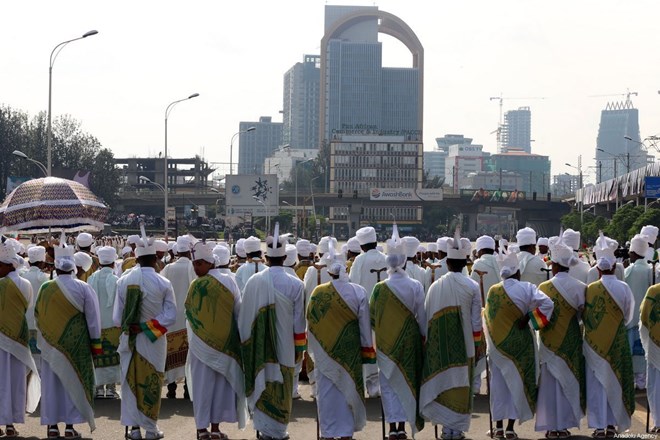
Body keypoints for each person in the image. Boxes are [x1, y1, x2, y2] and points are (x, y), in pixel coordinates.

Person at [238, 226, 306, 440]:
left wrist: (247, 344)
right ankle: (278, 430)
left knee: (263, 380)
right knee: (282, 384)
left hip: (259, 346)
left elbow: (244, 317)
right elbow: (298, 322)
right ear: (285, 257)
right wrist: (299, 349)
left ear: (265, 257)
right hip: (285, 346)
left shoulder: (253, 281)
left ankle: (264, 427)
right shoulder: (296, 284)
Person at [35, 235, 102, 439]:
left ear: (55, 267)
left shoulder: (45, 287)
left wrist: (46, 338)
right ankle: (71, 427)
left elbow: (38, 315)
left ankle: (52, 426)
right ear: (74, 267)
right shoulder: (83, 287)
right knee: (74, 382)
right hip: (77, 345)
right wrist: (96, 345)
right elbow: (93, 319)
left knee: (51, 385)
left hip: (51, 344)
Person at [484, 246, 554, 439]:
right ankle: (510, 429)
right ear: (517, 271)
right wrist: (531, 319)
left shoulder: (493, 291)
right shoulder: (527, 288)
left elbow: (488, 319)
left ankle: (497, 426)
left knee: (498, 386)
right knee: (518, 383)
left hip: (497, 346)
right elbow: (549, 304)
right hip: (521, 344)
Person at [113, 230, 177, 440]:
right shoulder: (163, 283)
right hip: (154, 339)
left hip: (129, 339)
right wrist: (147, 327)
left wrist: (134, 326)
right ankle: (151, 428)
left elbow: (116, 319)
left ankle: (134, 429)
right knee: (152, 380)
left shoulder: (123, 281)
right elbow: (171, 315)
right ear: (156, 259)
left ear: (137, 258)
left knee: (130, 381)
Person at [421, 231, 482, 440]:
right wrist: (478, 343)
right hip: (466, 344)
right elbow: (476, 322)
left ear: (447, 263)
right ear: (465, 262)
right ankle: (456, 430)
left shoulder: (435, 286)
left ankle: (447, 429)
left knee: (444, 385)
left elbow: (427, 317)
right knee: (461, 385)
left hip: (440, 346)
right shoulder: (472, 286)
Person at [185, 242, 247, 440]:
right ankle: (210, 428)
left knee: (204, 387)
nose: (196, 268)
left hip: (203, 345)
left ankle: (207, 429)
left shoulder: (201, 284)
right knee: (219, 386)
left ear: (210, 263)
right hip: (220, 345)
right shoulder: (228, 282)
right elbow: (239, 313)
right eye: (194, 264)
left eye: (199, 264)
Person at [307, 260, 375, 440]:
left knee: (326, 394)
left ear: (329, 272)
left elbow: (311, 322)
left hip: (324, 352)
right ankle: (346, 433)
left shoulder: (318, 292)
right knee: (348, 389)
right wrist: (367, 349)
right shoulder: (359, 291)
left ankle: (327, 433)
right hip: (350, 352)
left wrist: (314, 348)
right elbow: (364, 325)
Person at [370, 227, 426, 440]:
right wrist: (423, 337)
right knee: (406, 382)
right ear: (404, 261)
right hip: (409, 343)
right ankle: (402, 426)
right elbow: (421, 317)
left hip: (386, 343)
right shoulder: (415, 286)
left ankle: (393, 427)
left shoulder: (379, 288)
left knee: (389, 385)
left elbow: (372, 317)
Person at [583, 236, 635, 437]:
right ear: (614, 268)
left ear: (598, 270)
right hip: (617, 340)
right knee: (616, 379)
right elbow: (629, 315)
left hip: (594, 341)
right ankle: (612, 425)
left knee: (596, 383)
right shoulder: (623, 287)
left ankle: (598, 426)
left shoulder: (590, 289)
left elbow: (584, 315)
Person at [535, 237, 586, 438]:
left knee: (549, 383)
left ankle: (550, 426)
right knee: (569, 381)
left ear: (554, 265)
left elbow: (538, 317)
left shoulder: (544, 287)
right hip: (571, 339)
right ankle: (564, 425)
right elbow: (583, 314)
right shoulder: (580, 286)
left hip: (548, 341)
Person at [0, 237, 40, 438]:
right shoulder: (25, 284)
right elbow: (29, 305)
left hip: (2, 338)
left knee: (2, 381)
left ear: (7, 266)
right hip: (19, 335)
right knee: (16, 381)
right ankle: (10, 424)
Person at [349, 226, 388, 398]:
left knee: (367, 345)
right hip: (385, 310)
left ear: (362, 246)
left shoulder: (359, 260)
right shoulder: (386, 258)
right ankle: (382, 383)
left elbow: (353, 285)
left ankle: (371, 384)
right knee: (383, 346)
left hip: (365, 310)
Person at [160, 236, 197, 399]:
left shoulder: (169, 268)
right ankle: (189, 389)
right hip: (189, 317)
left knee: (172, 352)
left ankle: (172, 388)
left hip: (172, 317)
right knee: (189, 353)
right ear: (190, 251)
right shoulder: (194, 267)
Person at [87, 246, 121, 399]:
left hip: (95, 325)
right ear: (114, 263)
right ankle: (111, 389)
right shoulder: (116, 280)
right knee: (113, 356)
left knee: (98, 356)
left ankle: (99, 388)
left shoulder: (92, 278)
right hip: (113, 325)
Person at [625, 233, 653, 390]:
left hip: (631, 318)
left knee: (631, 352)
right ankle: (642, 381)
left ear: (634, 253)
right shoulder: (651, 269)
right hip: (646, 317)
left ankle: (633, 381)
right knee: (643, 351)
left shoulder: (630, 270)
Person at [20, 245, 50, 369]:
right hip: (39, 321)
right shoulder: (43, 278)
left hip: (24, 320)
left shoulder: (22, 276)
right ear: (42, 262)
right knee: (39, 360)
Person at [640, 281, 660, 433]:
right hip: (655, 345)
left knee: (656, 385)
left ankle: (658, 422)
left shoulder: (653, 291)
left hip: (655, 343)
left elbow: (644, 316)